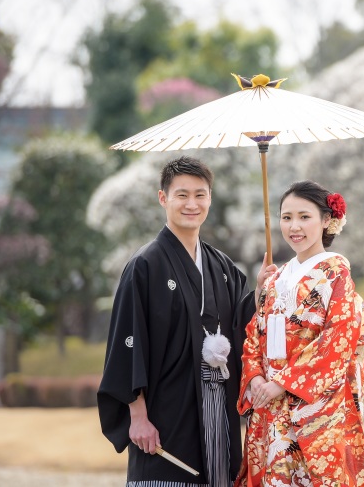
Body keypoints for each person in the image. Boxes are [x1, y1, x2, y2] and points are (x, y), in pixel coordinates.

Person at [98, 156, 257, 486]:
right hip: (166, 410)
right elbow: (128, 342)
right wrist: (138, 416)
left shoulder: (222, 267)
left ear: (210, 198)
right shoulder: (144, 266)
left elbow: (247, 327)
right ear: (163, 198)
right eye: (182, 195)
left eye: (200, 195)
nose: (192, 204)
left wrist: (266, 293)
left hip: (218, 407)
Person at [235, 180, 364, 487]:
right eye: (286, 217)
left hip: (309, 406)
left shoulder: (335, 272)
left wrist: (282, 383)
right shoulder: (276, 279)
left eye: (304, 216)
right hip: (269, 403)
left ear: (327, 220)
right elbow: (254, 335)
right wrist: (257, 376)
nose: (293, 226)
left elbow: (339, 337)